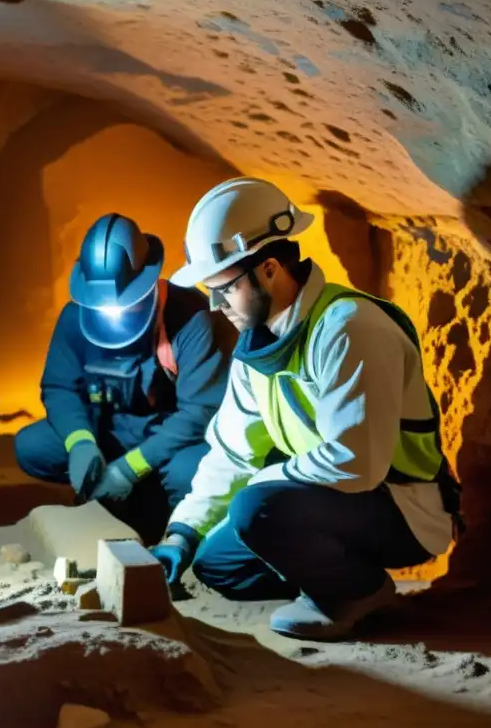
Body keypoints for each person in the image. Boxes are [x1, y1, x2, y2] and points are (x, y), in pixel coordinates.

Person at [152, 176, 464, 640]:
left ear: (271, 269)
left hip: (398, 506)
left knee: (255, 509)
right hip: (335, 498)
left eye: (224, 289)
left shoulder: (349, 328)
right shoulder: (257, 346)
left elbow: (357, 463)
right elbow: (232, 452)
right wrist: (183, 532)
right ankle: (327, 572)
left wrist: (257, 488)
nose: (216, 306)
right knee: (218, 564)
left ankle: (357, 589)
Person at [14, 213, 235, 543]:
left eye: (125, 305)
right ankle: (113, 502)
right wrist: (80, 443)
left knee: (193, 470)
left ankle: (173, 530)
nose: (113, 314)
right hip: (108, 430)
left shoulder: (192, 317)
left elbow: (199, 413)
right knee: (33, 446)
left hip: (171, 438)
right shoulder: (76, 316)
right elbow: (59, 387)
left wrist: (130, 467)